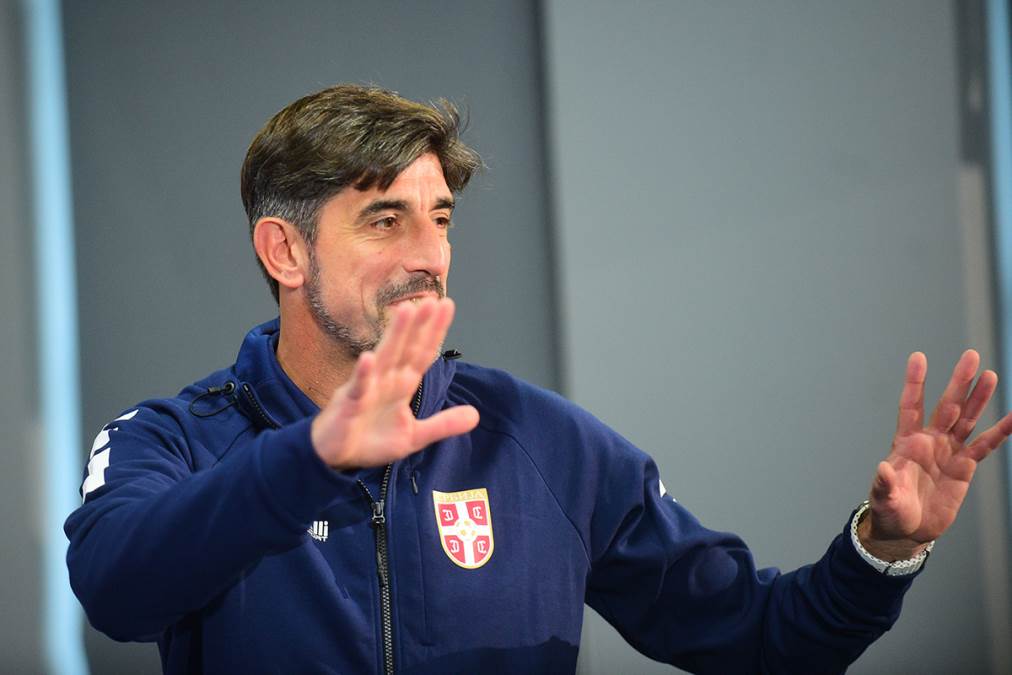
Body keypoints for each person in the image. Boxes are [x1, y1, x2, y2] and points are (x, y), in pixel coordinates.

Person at [65, 85, 1012, 675]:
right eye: (385, 220)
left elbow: (763, 639)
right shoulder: (172, 438)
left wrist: (883, 548)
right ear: (284, 250)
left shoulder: (541, 441)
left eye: (441, 219)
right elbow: (116, 592)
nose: (429, 254)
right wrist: (310, 458)